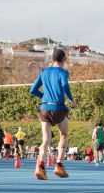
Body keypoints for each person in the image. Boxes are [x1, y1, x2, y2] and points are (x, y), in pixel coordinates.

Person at [30, 48, 75, 180]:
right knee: (64, 134)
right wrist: (71, 98)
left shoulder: (44, 72)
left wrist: (44, 96)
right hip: (58, 109)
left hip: (44, 108)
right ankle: (59, 164)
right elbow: (65, 84)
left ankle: (41, 167)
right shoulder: (63, 72)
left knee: (45, 140)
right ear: (64, 59)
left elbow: (33, 90)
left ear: (52, 59)